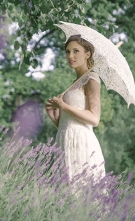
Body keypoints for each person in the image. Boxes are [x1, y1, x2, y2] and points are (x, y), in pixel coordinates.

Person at [45, 35, 105, 182]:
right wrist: (54, 117)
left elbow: (94, 118)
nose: (70, 55)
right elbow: (70, 123)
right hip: (65, 141)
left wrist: (63, 106)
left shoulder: (91, 79)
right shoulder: (75, 82)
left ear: (87, 54)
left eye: (76, 51)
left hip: (82, 143)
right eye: (67, 51)